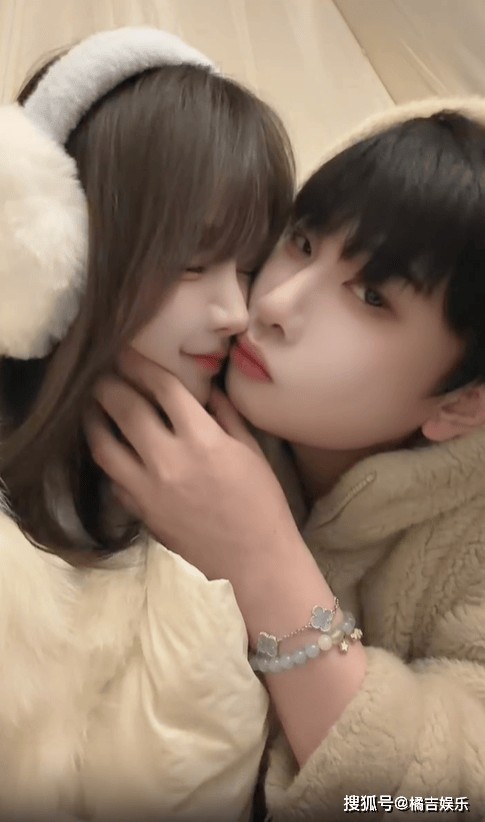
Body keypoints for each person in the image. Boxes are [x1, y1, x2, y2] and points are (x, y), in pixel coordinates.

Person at [88, 97, 485, 821]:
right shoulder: (191, 356)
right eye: (301, 241)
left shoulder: (469, 539)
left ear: (463, 404)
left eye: (371, 295)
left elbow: (449, 796)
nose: (273, 303)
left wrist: (261, 558)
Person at [0, 26, 295, 822]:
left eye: (247, 265)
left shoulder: (251, 470)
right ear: (59, 248)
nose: (235, 311)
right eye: (191, 262)